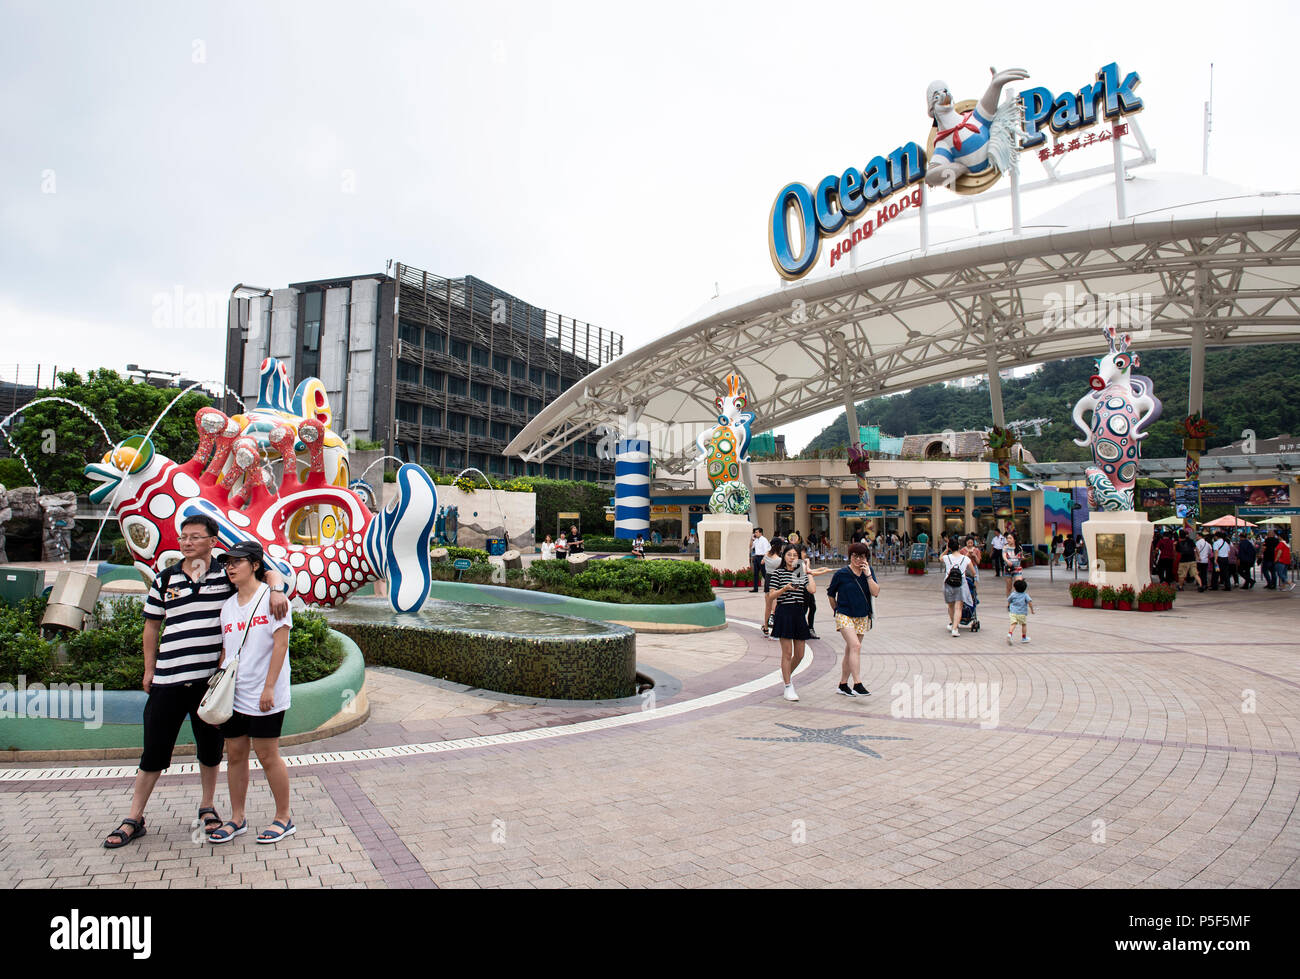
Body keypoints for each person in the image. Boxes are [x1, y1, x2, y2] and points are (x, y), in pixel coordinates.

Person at [103, 516, 289, 849]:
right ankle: (134, 816)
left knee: (212, 752)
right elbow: (151, 626)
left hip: (209, 686)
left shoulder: (224, 574)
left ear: (212, 541)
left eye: (195, 537)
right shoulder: (165, 579)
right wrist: (149, 669)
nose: (187, 542)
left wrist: (275, 588)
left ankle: (210, 807)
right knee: (155, 752)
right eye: (183, 537)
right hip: (169, 680)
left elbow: (267, 571)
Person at [207, 541, 296, 845]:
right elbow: (226, 651)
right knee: (234, 754)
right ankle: (237, 817)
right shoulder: (227, 607)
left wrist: (269, 686)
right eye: (227, 563)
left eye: (237, 562)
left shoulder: (273, 599)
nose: (230, 567)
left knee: (268, 754)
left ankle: (283, 817)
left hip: (266, 693)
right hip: (236, 693)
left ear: (255, 565)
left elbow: (281, 646)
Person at [826, 543, 879, 698]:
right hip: (844, 614)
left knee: (851, 650)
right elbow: (830, 594)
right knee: (855, 646)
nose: (858, 559)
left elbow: (875, 592)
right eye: (855, 556)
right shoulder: (841, 574)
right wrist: (836, 611)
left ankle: (843, 684)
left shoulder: (868, 573)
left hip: (862, 616)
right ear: (850, 556)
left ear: (866, 558)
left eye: (861, 556)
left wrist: (868, 575)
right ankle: (857, 683)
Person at [767, 544, 818, 702]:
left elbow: (812, 590)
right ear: (784, 556)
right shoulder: (778, 573)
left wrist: (807, 571)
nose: (792, 558)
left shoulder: (799, 572)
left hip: (798, 612)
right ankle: (788, 686)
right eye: (789, 555)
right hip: (784, 612)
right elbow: (771, 596)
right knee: (787, 653)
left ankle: (785, 674)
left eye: (795, 555)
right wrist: (785, 588)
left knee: (800, 654)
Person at [941, 537, 974, 637]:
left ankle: (953, 624)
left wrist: (946, 549)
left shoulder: (947, 558)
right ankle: (955, 629)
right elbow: (973, 572)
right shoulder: (966, 558)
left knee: (950, 606)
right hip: (961, 583)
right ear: (959, 547)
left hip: (948, 583)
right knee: (958, 607)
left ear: (950, 547)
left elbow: (940, 557)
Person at [1006, 577, 1034, 644]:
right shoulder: (1025, 595)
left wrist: (1008, 606)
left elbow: (1009, 600)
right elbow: (1030, 602)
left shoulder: (1013, 594)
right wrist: (1032, 610)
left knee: (1013, 624)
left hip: (1013, 612)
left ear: (1015, 587)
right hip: (1022, 613)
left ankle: (1010, 634)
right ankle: (1024, 638)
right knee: (1024, 624)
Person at [750, 527, 770, 593]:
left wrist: (764, 559)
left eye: (756, 532)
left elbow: (766, 551)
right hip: (756, 557)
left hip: (762, 557)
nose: (755, 533)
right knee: (755, 574)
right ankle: (755, 588)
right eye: (755, 532)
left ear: (760, 533)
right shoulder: (756, 540)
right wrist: (752, 539)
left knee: (764, 573)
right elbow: (750, 547)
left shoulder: (764, 540)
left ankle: (768, 587)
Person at [1002, 532, 1023, 597]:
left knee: (1019, 586)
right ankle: (1009, 603)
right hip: (1008, 568)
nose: (1008, 540)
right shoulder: (1005, 547)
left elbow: (1020, 557)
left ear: (1014, 539)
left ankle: (1018, 601)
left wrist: (1023, 557)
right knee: (1009, 587)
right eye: (1007, 538)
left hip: (1017, 568)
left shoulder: (1019, 548)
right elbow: (1004, 556)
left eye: (1010, 538)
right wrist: (1007, 561)